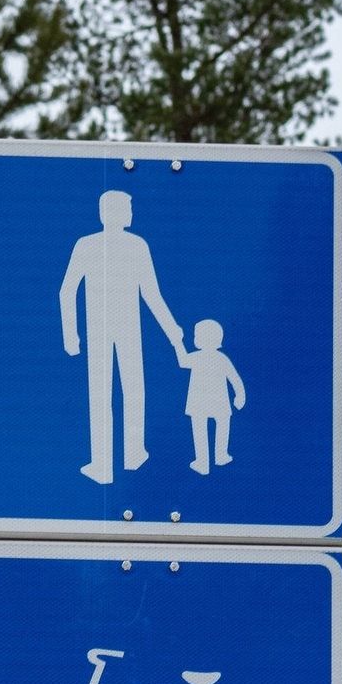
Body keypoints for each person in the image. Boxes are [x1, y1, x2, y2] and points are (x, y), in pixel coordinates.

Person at [59, 190, 187, 482]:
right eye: (128, 208)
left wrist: (173, 332)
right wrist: (71, 337)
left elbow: (151, 294)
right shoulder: (103, 245)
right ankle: (124, 458)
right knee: (123, 391)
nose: (131, 213)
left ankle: (118, 459)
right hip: (111, 328)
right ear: (112, 212)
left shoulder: (128, 245)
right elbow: (68, 290)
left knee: (116, 392)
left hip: (111, 328)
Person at [183, 318, 246, 473]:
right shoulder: (221, 358)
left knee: (200, 429)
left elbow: (182, 361)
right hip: (219, 402)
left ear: (202, 339)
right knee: (223, 425)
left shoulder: (197, 357)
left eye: (196, 336)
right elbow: (235, 378)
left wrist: (178, 344)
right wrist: (240, 395)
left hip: (199, 402)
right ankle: (221, 456)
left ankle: (202, 462)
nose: (194, 338)